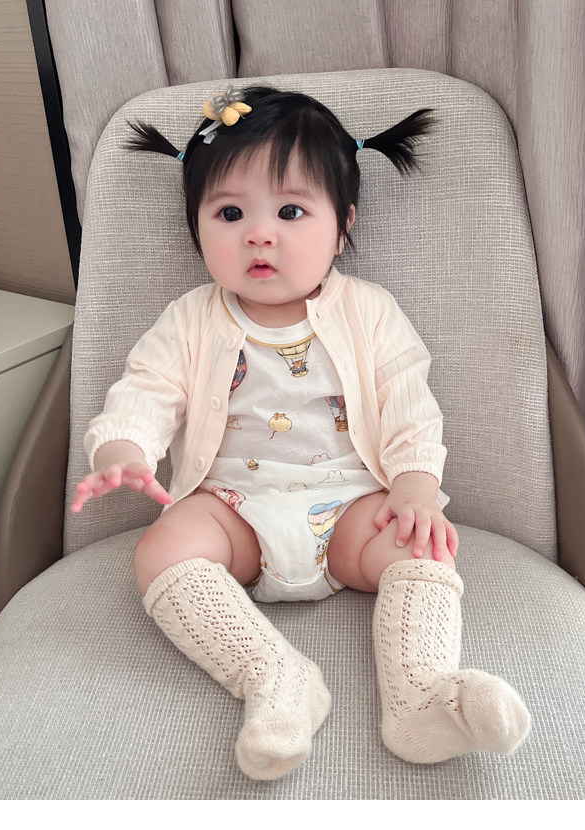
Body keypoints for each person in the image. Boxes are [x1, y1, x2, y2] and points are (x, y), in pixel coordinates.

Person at [70, 86, 530, 780]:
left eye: (290, 212)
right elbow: (146, 391)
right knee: (161, 548)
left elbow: (409, 406)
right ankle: (274, 677)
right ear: (197, 227)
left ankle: (420, 695)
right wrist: (124, 451)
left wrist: (415, 487)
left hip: (350, 508)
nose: (259, 234)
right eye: (229, 213)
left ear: (342, 226)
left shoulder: (371, 312)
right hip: (234, 512)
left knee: (422, 545)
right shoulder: (191, 319)